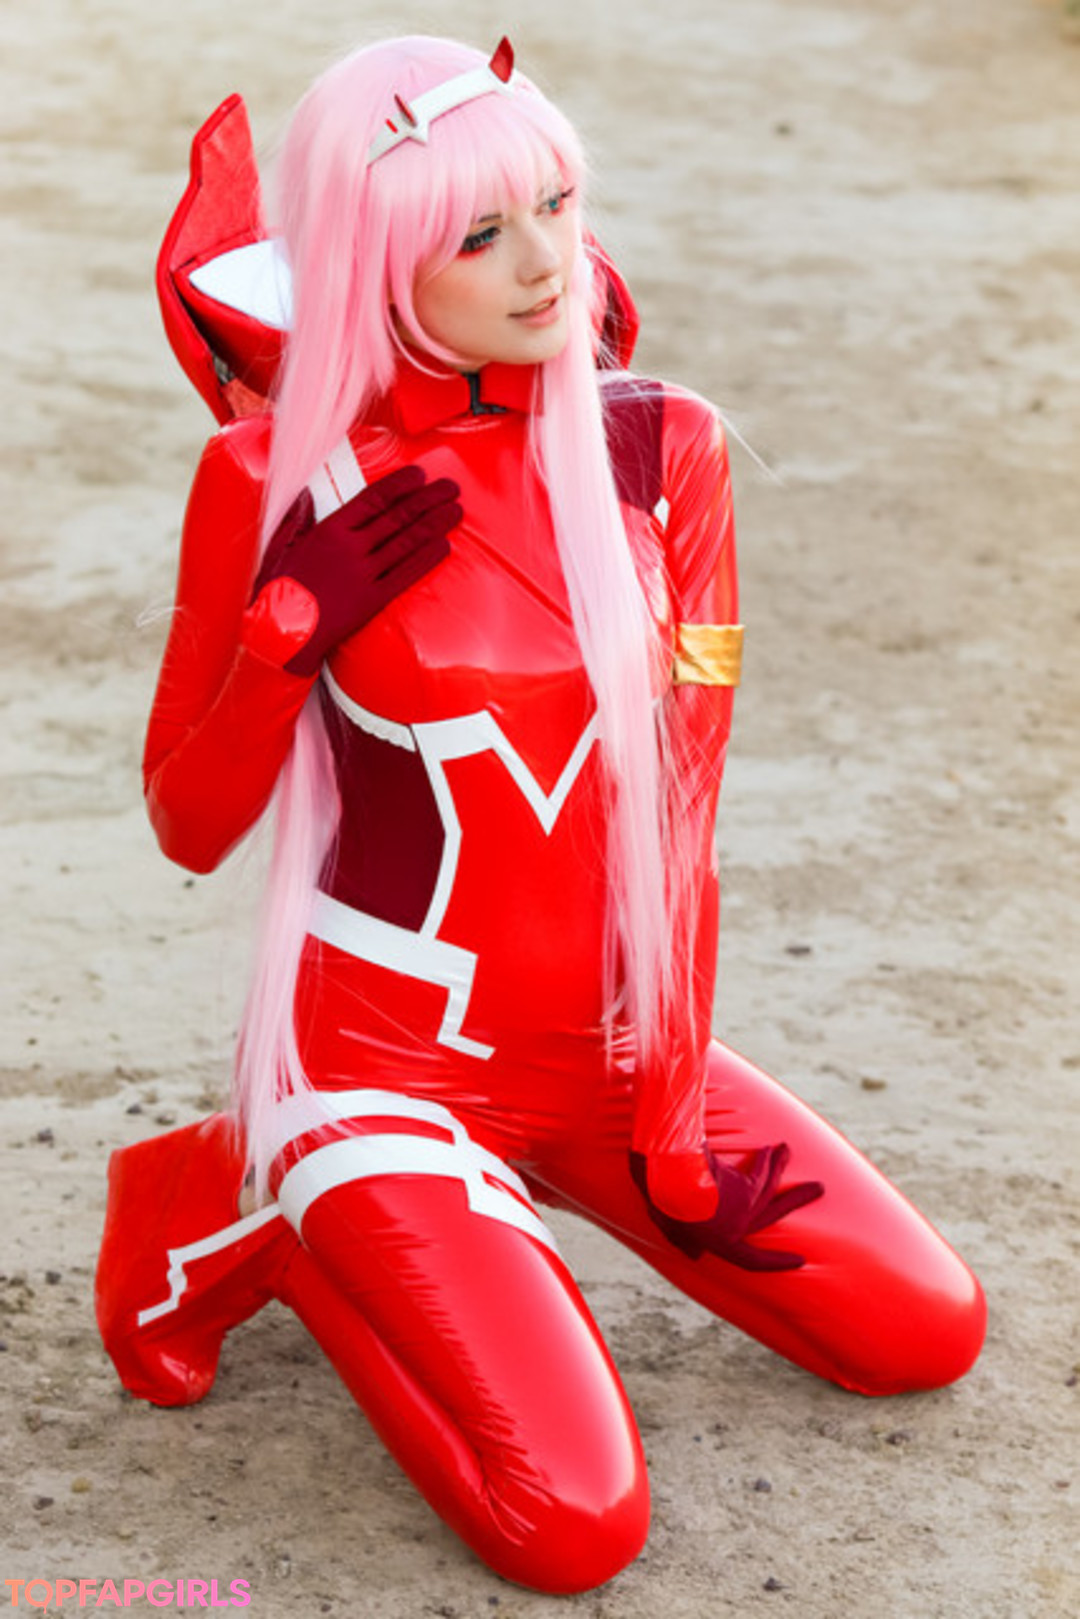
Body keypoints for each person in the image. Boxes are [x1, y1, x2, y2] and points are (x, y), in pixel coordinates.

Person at [96, 35, 986, 1595]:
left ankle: (420, 1216)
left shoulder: (664, 447)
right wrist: (285, 634)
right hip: (387, 1065)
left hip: (617, 1046)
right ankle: (262, 1214)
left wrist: (671, 1119)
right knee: (571, 1521)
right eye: (483, 233)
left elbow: (688, 805)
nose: (546, 262)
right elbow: (186, 823)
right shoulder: (270, 476)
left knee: (924, 1330)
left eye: (560, 206)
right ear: (377, 261)